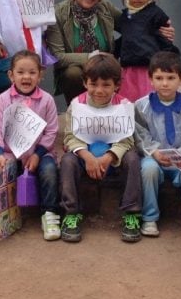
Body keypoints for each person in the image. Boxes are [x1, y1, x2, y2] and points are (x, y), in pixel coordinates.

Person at [46, 0, 175, 105]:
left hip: (106, 68)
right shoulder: (57, 14)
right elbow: (57, 57)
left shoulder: (105, 8)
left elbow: (134, 27)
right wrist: (92, 56)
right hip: (78, 72)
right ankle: (78, 111)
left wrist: (161, 30)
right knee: (72, 73)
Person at [60, 53, 142, 243]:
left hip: (113, 160)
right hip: (84, 157)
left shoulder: (124, 105)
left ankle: (131, 212)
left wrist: (109, 157)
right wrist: (87, 156)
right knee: (67, 161)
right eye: (94, 84)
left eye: (106, 85)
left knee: (132, 158)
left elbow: (127, 138)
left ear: (117, 85)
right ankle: (71, 212)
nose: (99, 90)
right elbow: (70, 137)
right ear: (85, 82)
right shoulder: (76, 104)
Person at [0, 50, 60, 241]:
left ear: (41, 75)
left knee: (49, 169)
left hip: (39, 153)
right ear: (11, 75)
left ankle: (49, 213)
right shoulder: (3, 99)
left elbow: (51, 132)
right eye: (20, 72)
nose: (26, 77)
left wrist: (38, 154)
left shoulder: (47, 100)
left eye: (32, 72)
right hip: (8, 152)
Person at [135, 51, 181, 238]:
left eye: (170, 77)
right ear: (150, 79)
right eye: (159, 77)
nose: (165, 83)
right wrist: (154, 152)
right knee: (148, 170)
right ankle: (150, 217)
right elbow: (139, 134)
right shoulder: (141, 106)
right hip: (155, 157)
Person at [116, 0, 179, 102]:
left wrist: (170, 62)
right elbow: (125, 39)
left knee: (149, 103)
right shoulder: (125, 16)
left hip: (149, 70)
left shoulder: (156, 14)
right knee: (129, 104)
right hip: (128, 72)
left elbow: (166, 40)